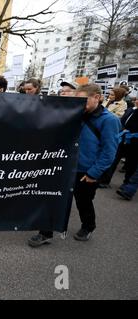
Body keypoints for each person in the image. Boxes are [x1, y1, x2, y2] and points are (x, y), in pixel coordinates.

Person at [28, 84, 121, 247]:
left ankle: (88, 226)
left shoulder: (109, 120)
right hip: (64, 166)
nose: (79, 105)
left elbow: (109, 152)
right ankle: (45, 232)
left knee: (83, 201)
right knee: (52, 198)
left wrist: (94, 173)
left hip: (86, 171)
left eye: (83, 101)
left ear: (97, 98)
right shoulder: (75, 114)